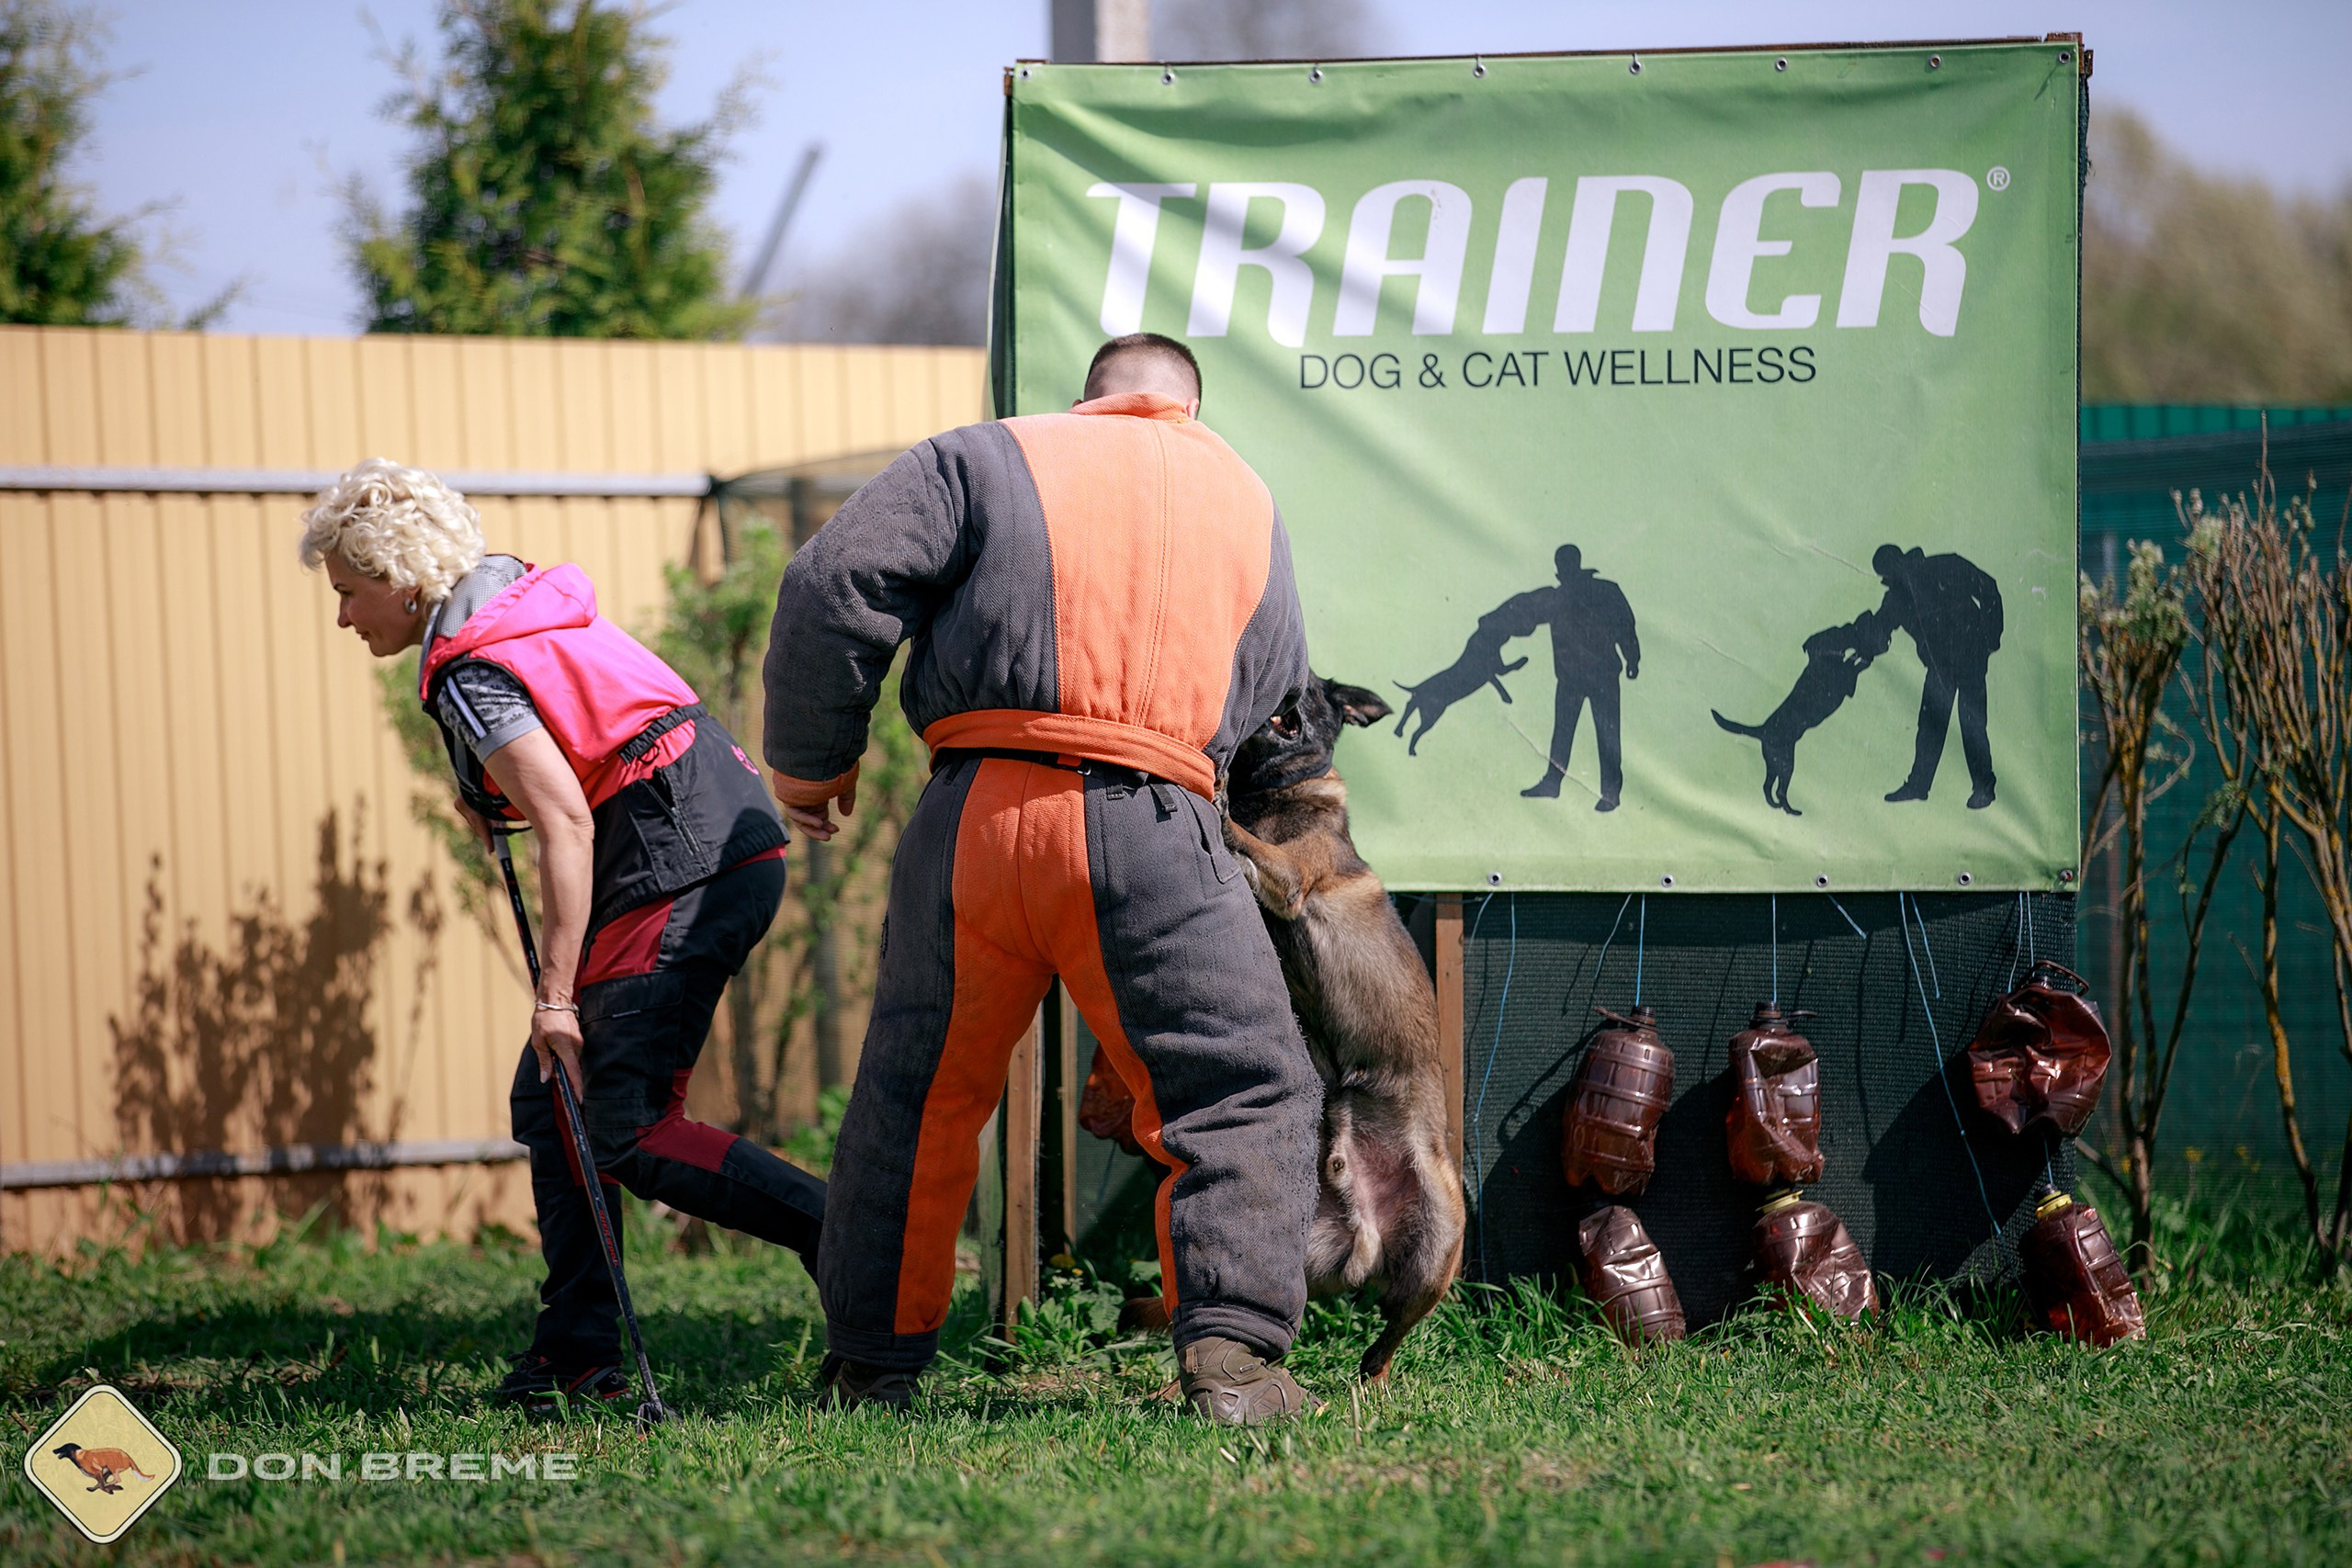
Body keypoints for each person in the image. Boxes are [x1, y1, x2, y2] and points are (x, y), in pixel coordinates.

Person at [761, 332, 1324, 1426]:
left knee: (916, 1095)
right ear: (1189, 410)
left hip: (972, 816)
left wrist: (812, 762)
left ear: (1087, 401)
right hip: (1156, 825)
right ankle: (1233, 1370)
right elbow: (1275, 690)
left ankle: (868, 1371)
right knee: (1239, 1089)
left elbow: (833, 579)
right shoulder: (1246, 496)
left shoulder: (984, 455)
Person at [300, 459, 825, 1414]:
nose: (341, 617)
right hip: (707, 837)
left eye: (347, 591)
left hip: (679, 857)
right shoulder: (512, 612)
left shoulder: (473, 663)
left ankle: (842, 1238)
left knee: (623, 1121)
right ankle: (579, 1352)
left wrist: (554, 997)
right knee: (556, 1100)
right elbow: (589, 756)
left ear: (403, 579)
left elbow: (567, 823)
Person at [1860, 544, 2005, 808]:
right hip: (1939, 666)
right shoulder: (1896, 598)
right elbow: (1879, 630)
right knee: (1930, 725)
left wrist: (1990, 638)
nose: (1893, 575)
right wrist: (1860, 644)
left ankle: (1984, 788)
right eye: (1888, 574)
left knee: (1972, 723)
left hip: (1971, 656)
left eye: (1892, 569)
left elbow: (1988, 588)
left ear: (1901, 559)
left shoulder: (1946, 565)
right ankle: (1918, 786)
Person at [1498, 544, 1641, 808]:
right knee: (1583, 733)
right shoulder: (1593, 592)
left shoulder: (1567, 596)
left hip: (1588, 676)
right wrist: (1632, 659)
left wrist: (1633, 658)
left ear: (1561, 567)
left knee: (1595, 734)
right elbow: (1626, 626)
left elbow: (1625, 625)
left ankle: (1600, 792)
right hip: (1584, 676)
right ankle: (1576, 787)